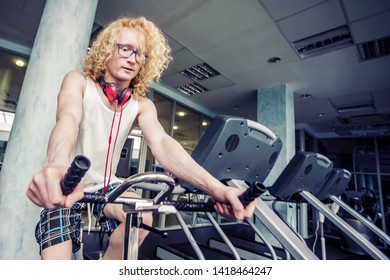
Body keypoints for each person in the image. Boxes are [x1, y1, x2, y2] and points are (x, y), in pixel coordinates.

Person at [26, 16, 256, 260]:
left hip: (106, 185)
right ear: (107, 49)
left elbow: (163, 144)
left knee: (143, 215)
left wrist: (217, 189)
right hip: (68, 182)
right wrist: (58, 164)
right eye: (126, 49)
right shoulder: (79, 83)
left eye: (141, 54)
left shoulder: (141, 105)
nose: (133, 58)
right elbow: (67, 119)